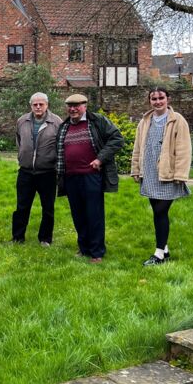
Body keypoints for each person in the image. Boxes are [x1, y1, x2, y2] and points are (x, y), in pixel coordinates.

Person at [56, 94, 124, 263]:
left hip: (91, 176)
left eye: (76, 105)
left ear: (85, 106)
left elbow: (117, 139)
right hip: (71, 177)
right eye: (70, 106)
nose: (73, 109)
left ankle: (97, 252)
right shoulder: (64, 126)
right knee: (78, 215)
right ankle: (84, 247)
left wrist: (100, 158)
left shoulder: (97, 121)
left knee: (94, 215)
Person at [130, 86, 192, 266]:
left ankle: (158, 254)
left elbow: (184, 149)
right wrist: (135, 169)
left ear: (168, 99)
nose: (157, 102)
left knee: (160, 211)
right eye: (154, 98)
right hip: (149, 171)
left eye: (161, 98)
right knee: (157, 210)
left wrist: (180, 173)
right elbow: (137, 147)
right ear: (149, 101)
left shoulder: (177, 120)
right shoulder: (145, 120)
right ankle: (165, 249)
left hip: (168, 173)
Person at [11, 92, 62, 246]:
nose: (38, 107)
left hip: (47, 172)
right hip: (26, 171)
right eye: (35, 104)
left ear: (47, 105)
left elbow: (60, 145)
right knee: (22, 206)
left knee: (47, 207)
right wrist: (22, 157)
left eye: (41, 104)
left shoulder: (56, 122)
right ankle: (18, 237)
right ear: (31, 105)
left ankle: (45, 239)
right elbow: (19, 141)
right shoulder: (22, 121)